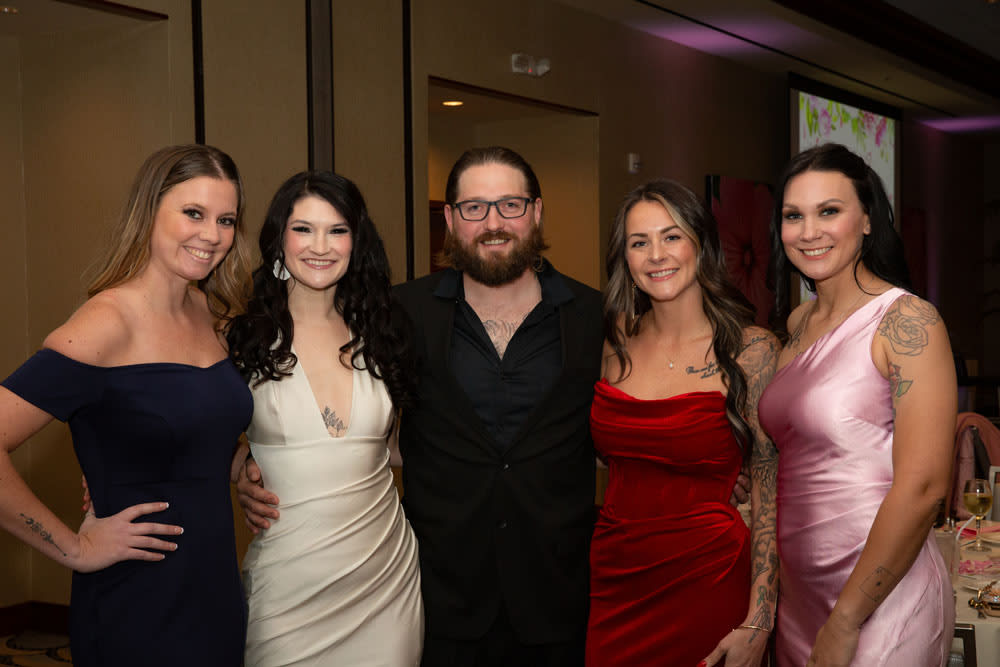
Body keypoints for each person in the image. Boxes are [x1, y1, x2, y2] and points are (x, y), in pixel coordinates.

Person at [237, 147, 750, 665]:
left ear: (537, 212)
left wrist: (706, 469)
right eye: (474, 208)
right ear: (450, 219)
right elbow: (349, 418)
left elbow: (636, 415)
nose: (493, 223)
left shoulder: (597, 318)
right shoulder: (400, 312)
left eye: (510, 205)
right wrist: (251, 462)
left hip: (562, 599)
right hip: (435, 599)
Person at [0, 144, 253, 666]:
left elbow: (193, 437)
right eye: (193, 213)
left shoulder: (213, 314)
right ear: (149, 212)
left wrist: (243, 467)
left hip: (214, 592)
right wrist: (75, 549)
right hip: (136, 604)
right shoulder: (106, 322)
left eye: (225, 219)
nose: (211, 235)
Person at [758, 143, 956, 666]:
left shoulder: (906, 321)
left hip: (880, 600)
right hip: (800, 598)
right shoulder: (797, 324)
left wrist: (847, 618)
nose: (809, 231)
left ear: (867, 220)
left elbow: (925, 487)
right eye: (793, 216)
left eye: (829, 211)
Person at [225, 171, 423, 665]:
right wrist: (240, 465)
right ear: (279, 238)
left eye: (337, 230)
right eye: (303, 229)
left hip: (384, 578)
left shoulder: (383, 331)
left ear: (357, 241)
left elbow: (397, 446)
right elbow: (198, 436)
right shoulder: (240, 336)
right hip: (288, 583)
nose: (321, 246)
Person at [586, 179, 778, 667]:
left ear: (701, 245)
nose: (656, 255)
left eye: (671, 236)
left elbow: (770, 494)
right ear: (625, 258)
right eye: (639, 242)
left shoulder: (752, 349)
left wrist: (759, 620)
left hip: (708, 576)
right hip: (615, 577)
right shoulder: (613, 340)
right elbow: (613, 452)